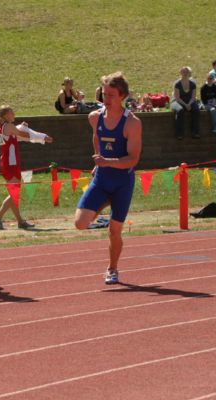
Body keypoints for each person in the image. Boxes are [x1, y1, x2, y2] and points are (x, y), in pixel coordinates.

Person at [74, 72, 142, 285]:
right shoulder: (94, 117)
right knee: (80, 223)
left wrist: (107, 161)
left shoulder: (132, 123)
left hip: (122, 181)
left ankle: (112, 269)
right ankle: (104, 202)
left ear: (122, 96)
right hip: (102, 178)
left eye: (111, 95)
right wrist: (98, 162)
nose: (106, 99)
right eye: (104, 94)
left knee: (114, 231)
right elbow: (96, 138)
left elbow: (133, 159)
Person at [0, 105, 53, 230]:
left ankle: (20, 221)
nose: (14, 114)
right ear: (6, 115)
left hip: (9, 162)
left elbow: (17, 134)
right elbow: (23, 134)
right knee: (15, 193)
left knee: (14, 193)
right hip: (10, 163)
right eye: (12, 112)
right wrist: (42, 137)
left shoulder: (5, 127)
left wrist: (24, 128)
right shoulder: (8, 126)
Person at [171, 66, 200, 139]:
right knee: (180, 110)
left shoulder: (193, 84)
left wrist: (189, 104)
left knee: (196, 110)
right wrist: (185, 105)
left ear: (189, 73)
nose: (185, 73)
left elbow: (193, 97)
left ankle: (195, 132)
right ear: (180, 73)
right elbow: (177, 98)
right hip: (177, 101)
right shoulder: (177, 84)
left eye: (186, 72)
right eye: (183, 72)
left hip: (189, 101)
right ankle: (179, 134)